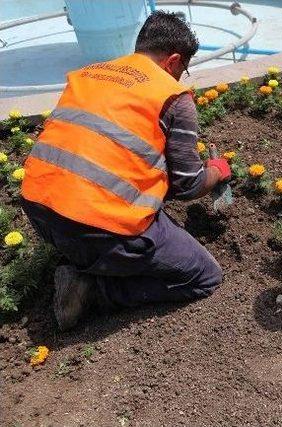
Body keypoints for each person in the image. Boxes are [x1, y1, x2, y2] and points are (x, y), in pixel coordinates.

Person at [21, 11, 231, 330]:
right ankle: (93, 290)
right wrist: (215, 170)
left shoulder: (89, 74)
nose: (181, 77)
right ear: (173, 61)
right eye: (183, 70)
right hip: (94, 228)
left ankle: (89, 259)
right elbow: (188, 186)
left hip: (40, 212)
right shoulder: (171, 95)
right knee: (204, 276)